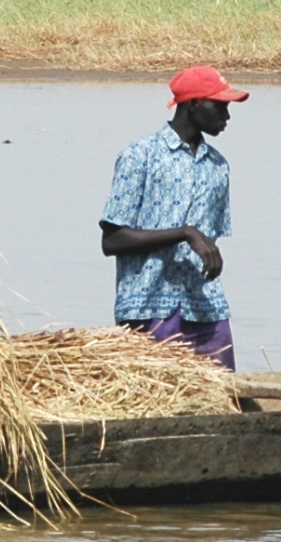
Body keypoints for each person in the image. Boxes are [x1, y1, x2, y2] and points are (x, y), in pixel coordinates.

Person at [98, 65, 248, 369]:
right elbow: (112, 241)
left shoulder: (218, 167)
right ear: (193, 103)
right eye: (219, 106)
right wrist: (184, 232)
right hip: (148, 306)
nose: (227, 116)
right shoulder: (140, 156)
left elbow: (211, 240)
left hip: (205, 307)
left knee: (224, 396)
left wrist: (196, 238)